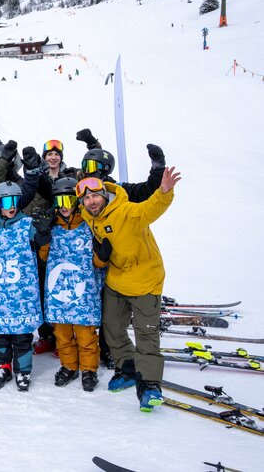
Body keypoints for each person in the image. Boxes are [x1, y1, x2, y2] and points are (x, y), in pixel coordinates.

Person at [77, 168, 180, 412]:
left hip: (145, 280)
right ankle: (128, 368)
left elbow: (150, 209)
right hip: (117, 279)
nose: (91, 202)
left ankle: (150, 385)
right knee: (112, 327)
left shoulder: (126, 211)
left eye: (95, 196)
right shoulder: (90, 217)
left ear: (104, 194)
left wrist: (164, 192)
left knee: (146, 334)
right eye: (86, 198)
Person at [0, 182, 47, 391]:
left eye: (15, 201)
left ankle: (23, 371)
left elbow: (42, 246)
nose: (11, 206)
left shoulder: (27, 224)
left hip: (22, 294)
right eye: (6, 202)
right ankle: (2, 367)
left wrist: (43, 232)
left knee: (22, 335)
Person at [38, 178, 104, 392]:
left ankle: (89, 369)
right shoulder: (53, 228)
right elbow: (43, 257)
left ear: (77, 201)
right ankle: (69, 366)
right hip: (59, 293)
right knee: (63, 334)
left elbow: (98, 262)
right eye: (59, 202)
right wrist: (42, 237)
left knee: (86, 335)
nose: (64, 206)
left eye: (68, 200)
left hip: (84, 292)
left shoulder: (88, 226)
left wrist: (102, 255)